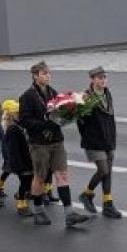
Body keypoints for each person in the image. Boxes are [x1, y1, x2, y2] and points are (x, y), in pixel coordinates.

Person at [18, 61, 89, 228]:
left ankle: (69, 213)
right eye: (44, 73)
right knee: (40, 177)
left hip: (57, 140)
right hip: (39, 143)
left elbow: (61, 110)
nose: (48, 76)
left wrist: (67, 115)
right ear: (35, 76)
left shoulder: (53, 92)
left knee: (62, 174)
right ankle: (38, 210)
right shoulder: (27, 96)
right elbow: (25, 121)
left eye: (49, 73)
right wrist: (46, 124)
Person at [77, 66, 122, 219]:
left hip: (109, 139)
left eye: (104, 77)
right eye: (99, 78)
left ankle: (108, 204)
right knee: (103, 170)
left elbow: (110, 118)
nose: (103, 80)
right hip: (94, 141)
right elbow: (80, 121)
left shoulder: (107, 94)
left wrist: (112, 137)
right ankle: (87, 194)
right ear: (92, 80)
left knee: (108, 171)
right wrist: (88, 135)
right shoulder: (85, 97)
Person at [0, 99, 34, 217]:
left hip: (27, 158)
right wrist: (18, 165)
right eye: (17, 112)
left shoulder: (19, 125)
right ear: (11, 114)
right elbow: (13, 150)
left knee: (28, 181)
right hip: (22, 162)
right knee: (25, 182)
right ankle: (21, 204)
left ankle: (21, 195)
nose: (20, 113)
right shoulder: (13, 129)